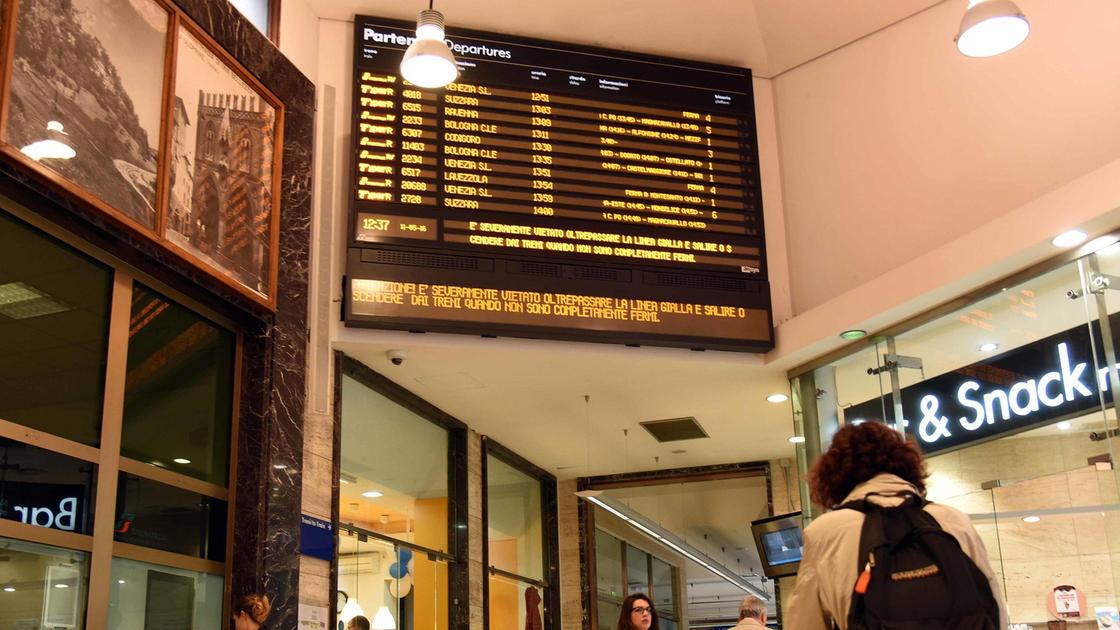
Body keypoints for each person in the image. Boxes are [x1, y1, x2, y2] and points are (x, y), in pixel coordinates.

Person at [785, 422, 1007, 630]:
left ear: (832, 476)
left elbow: (805, 621)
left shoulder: (826, 531)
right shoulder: (952, 519)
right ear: (907, 465)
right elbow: (994, 605)